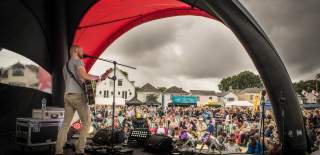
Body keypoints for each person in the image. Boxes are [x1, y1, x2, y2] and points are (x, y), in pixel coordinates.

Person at [55, 45, 106, 155]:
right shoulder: (78, 61)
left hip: (67, 96)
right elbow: (84, 75)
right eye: (81, 50)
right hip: (78, 96)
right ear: (75, 50)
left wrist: (97, 79)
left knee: (65, 125)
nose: (83, 52)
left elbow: (78, 80)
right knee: (87, 123)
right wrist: (99, 77)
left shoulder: (65, 66)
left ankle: (58, 151)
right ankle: (80, 150)